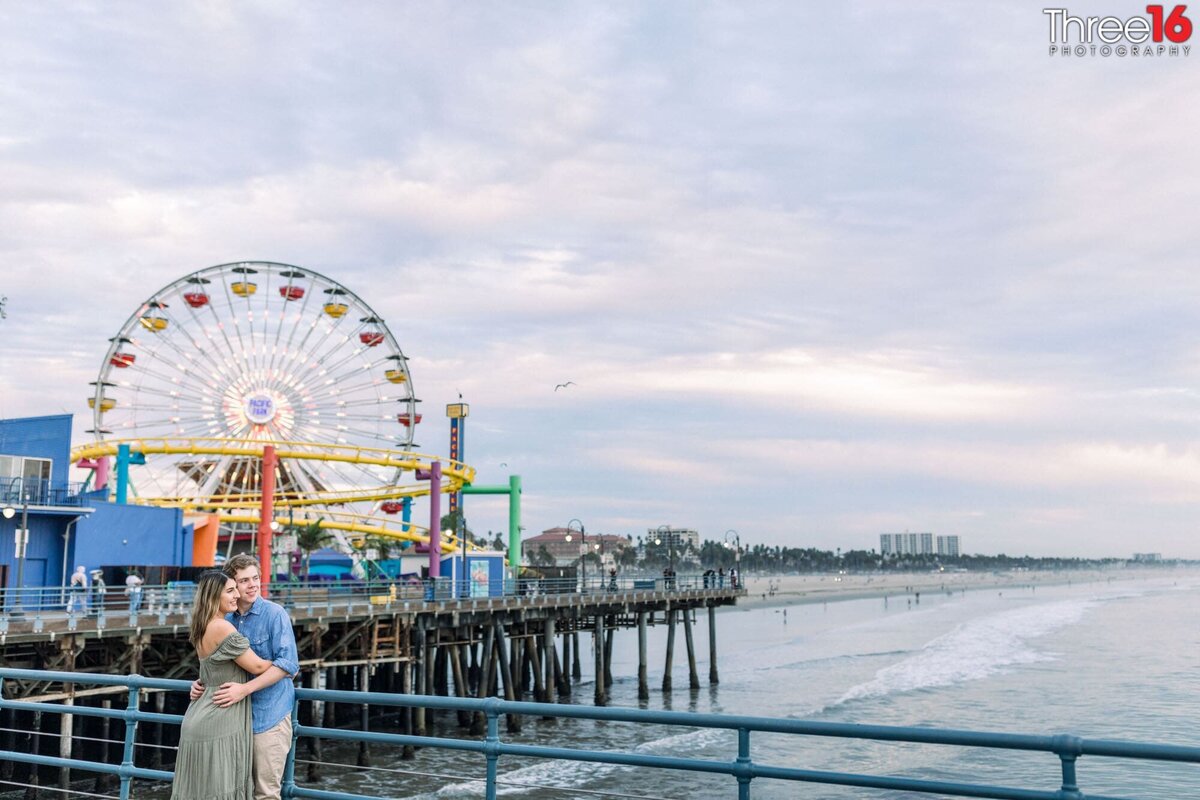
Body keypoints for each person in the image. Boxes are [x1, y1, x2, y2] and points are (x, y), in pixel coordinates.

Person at [192, 554, 299, 800]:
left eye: (255, 578)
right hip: (231, 721)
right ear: (231, 585)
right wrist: (201, 683)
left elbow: (288, 664)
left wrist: (245, 689)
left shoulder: (275, 614)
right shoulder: (225, 618)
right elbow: (218, 663)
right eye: (243, 581)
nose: (252, 585)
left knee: (265, 793)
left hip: (267, 717)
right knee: (235, 791)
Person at [172, 571, 277, 800]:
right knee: (221, 787)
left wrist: (200, 682)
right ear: (213, 596)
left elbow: (211, 670)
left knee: (201, 790)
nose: (237, 595)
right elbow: (257, 667)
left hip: (201, 713)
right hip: (220, 716)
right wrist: (283, 665)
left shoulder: (202, 625)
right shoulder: (222, 627)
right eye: (230, 591)